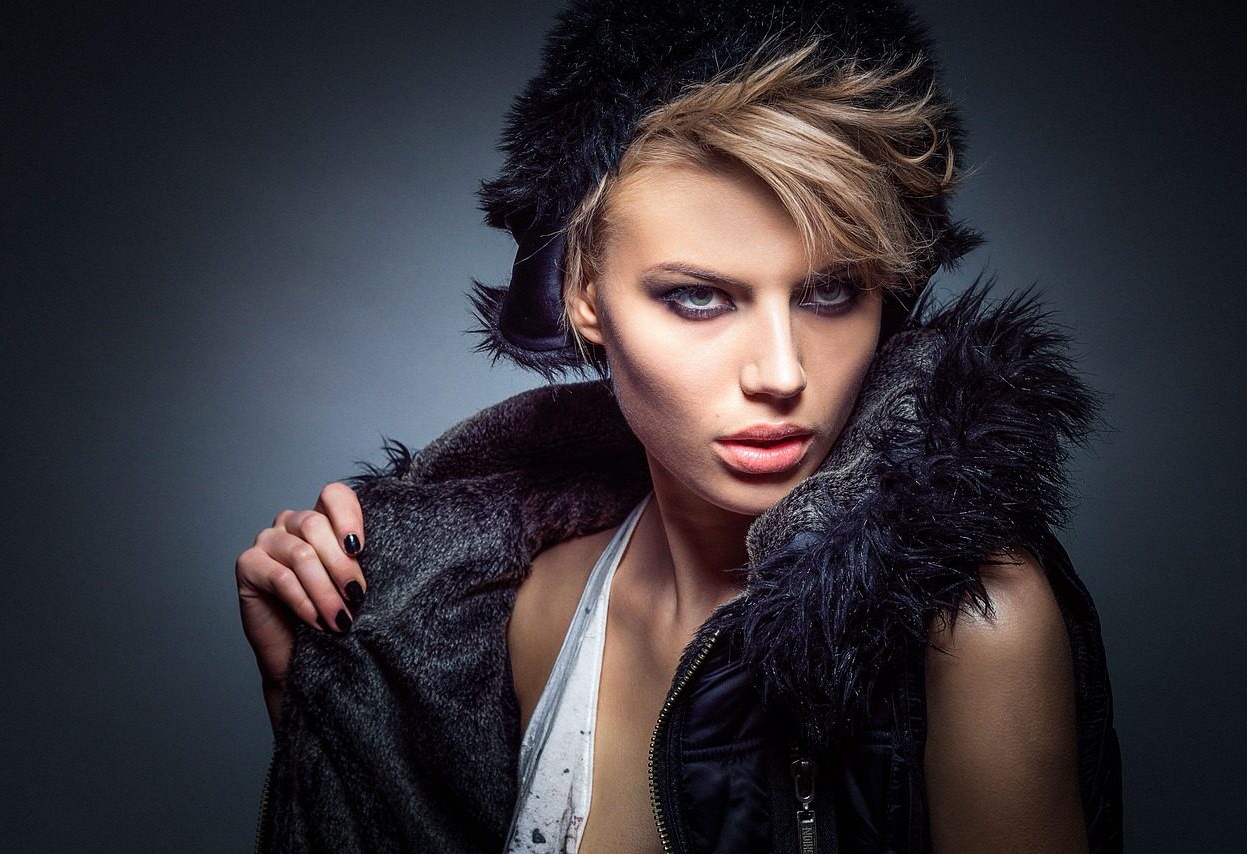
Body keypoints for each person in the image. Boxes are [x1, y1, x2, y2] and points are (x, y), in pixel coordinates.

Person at [237, 1, 1124, 851]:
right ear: (584, 296)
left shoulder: (973, 625)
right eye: (699, 297)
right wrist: (330, 710)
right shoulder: (506, 608)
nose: (781, 374)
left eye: (830, 292)